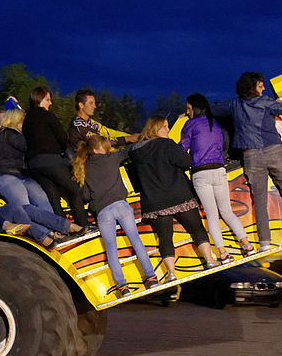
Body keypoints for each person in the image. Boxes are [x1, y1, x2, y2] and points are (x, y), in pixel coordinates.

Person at [211, 72, 282, 252]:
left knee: (260, 199)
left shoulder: (234, 105)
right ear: (253, 87)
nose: (263, 88)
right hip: (274, 151)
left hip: (251, 155)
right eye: (260, 85)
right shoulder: (266, 102)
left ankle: (264, 242)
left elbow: (212, 109)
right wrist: (280, 103)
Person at [129, 116, 217, 283]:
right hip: (179, 195)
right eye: (165, 127)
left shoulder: (135, 152)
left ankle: (171, 273)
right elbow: (186, 162)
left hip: (155, 201)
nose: (168, 130)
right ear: (155, 129)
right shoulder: (166, 144)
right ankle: (210, 260)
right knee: (197, 229)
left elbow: (136, 180)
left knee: (165, 238)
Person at [72, 136, 158, 296]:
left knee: (111, 250)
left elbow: (84, 196)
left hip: (103, 212)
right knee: (136, 241)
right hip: (121, 205)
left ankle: (123, 287)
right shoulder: (111, 157)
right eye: (104, 147)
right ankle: (151, 278)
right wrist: (152, 139)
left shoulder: (84, 167)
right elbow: (133, 148)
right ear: (97, 149)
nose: (107, 150)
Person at [0, 109, 84, 244]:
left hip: (22, 175)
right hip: (5, 175)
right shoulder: (9, 133)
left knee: (42, 200)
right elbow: (31, 147)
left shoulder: (8, 134)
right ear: (17, 122)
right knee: (24, 205)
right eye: (24, 123)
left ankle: (54, 231)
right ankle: (42, 236)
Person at [180, 93, 256, 262]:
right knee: (227, 211)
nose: (187, 112)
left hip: (201, 172)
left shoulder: (190, 124)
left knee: (212, 215)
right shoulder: (215, 124)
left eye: (188, 109)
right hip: (219, 170)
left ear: (194, 107)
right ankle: (247, 245)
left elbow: (182, 149)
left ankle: (223, 253)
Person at [23, 86, 90, 228]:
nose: (50, 103)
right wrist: (59, 150)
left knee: (53, 198)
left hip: (34, 164)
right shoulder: (46, 115)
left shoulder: (26, 120)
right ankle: (83, 225)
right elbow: (62, 136)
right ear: (40, 99)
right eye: (48, 100)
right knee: (74, 189)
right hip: (50, 159)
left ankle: (64, 229)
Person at [66, 88, 140, 160]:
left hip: (97, 159)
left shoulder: (91, 123)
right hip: (86, 163)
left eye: (94, 103)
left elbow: (109, 132)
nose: (94, 106)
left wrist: (132, 137)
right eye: (91, 103)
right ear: (81, 105)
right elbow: (99, 143)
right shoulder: (79, 125)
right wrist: (125, 139)